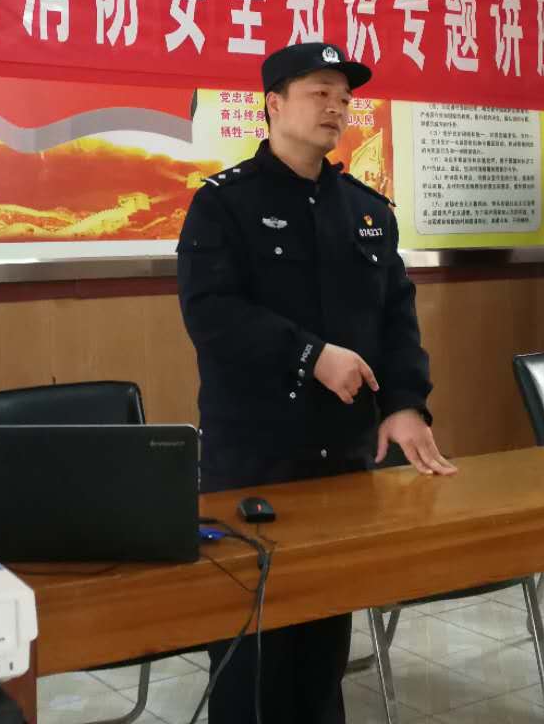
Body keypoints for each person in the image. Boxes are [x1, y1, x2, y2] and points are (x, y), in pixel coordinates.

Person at [176, 41, 456, 724]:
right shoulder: (223, 204)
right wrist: (310, 356)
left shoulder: (367, 210)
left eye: (344, 97)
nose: (336, 107)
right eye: (319, 93)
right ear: (273, 105)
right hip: (254, 459)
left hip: (340, 458)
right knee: (251, 649)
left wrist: (405, 404)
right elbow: (211, 313)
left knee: (324, 642)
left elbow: (396, 318)